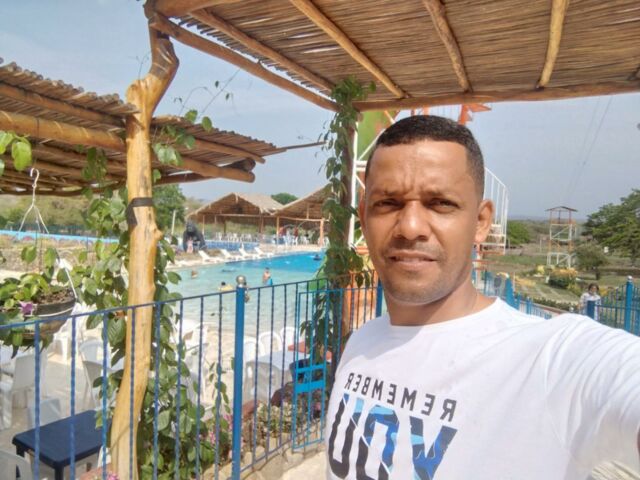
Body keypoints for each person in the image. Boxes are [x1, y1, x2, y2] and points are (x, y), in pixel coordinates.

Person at [325, 115, 640, 479]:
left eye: (440, 203)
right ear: (364, 218)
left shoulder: (551, 361)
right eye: (388, 203)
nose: (410, 227)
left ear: (480, 222)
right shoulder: (362, 344)